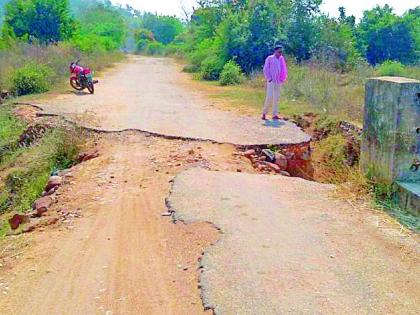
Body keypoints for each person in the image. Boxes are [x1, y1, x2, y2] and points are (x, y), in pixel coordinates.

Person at [262, 45, 288, 120]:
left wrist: (283, 78)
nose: (280, 53)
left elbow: (284, 69)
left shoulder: (281, 59)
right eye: (279, 51)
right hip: (271, 81)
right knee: (269, 96)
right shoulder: (270, 58)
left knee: (277, 97)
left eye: (281, 52)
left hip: (278, 81)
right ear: (275, 51)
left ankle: (274, 114)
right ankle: (264, 113)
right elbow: (265, 69)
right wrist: (269, 78)